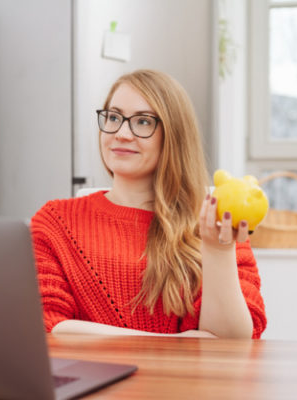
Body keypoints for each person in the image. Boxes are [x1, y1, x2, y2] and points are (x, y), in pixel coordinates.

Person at [30, 69, 266, 339]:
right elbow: (47, 326)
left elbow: (233, 343)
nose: (121, 133)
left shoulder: (215, 221)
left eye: (142, 122)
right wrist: (176, 343)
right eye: (114, 117)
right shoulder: (54, 222)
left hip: (184, 382)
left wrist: (218, 252)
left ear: (173, 136)